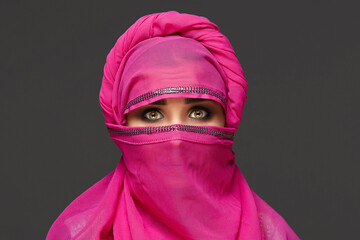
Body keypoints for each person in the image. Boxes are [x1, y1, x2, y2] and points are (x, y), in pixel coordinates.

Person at [46, 11, 300, 240]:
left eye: (198, 113)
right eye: (153, 115)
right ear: (121, 124)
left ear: (227, 120)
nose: (177, 138)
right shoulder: (80, 234)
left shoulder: (273, 235)